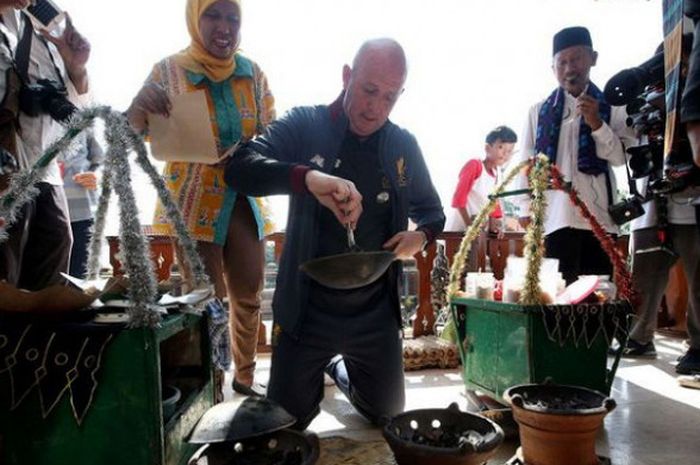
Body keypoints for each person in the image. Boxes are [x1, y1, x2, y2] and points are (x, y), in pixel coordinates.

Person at [225, 38, 445, 429]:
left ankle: (339, 367)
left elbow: (432, 211)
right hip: (308, 309)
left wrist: (421, 237)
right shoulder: (305, 124)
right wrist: (306, 177)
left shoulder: (402, 145)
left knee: (388, 416)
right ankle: (316, 363)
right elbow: (240, 168)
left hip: (375, 310)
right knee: (285, 424)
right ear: (347, 76)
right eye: (369, 90)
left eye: (389, 97)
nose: (375, 107)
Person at [126, 0, 275, 398]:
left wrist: (258, 147)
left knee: (248, 292)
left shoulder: (252, 74)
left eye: (232, 17)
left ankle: (244, 376)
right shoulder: (167, 72)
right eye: (212, 14)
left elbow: (274, 131)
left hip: (243, 199)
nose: (223, 26)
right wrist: (138, 106)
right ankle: (210, 383)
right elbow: (127, 137)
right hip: (191, 204)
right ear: (194, 18)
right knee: (204, 299)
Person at [514, 26, 636, 284]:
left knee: (596, 303)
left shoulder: (613, 106)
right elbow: (526, 164)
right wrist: (525, 211)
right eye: (562, 62)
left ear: (593, 58)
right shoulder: (538, 112)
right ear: (553, 69)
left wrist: (597, 124)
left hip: (599, 221)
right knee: (555, 304)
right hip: (553, 221)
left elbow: (620, 158)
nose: (570, 68)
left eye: (577, 59)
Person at [0, 5, 91, 290]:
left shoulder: (43, 27)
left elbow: (75, 111)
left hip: (44, 170)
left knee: (53, 264)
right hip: (7, 169)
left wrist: (77, 67)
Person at [445, 125, 517, 235]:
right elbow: (458, 200)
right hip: (459, 232)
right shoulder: (475, 165)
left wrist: (498, 227)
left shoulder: (497, 175)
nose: (505, 154)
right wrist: (471, 227)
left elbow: (494, 209)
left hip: (480, 235)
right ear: (487, 148)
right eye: (501, 147)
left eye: (510, 150)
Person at [61, 129, 103, 278]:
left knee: (80, 274)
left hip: (82, 208)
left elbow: (100, 159)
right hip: (40, 207)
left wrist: (96, 175)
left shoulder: (83, 118)